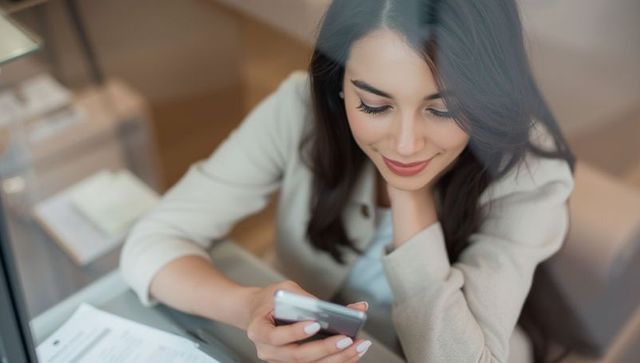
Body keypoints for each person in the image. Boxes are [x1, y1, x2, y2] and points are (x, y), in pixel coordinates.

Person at [120, 0, 575, 362]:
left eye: (443, 109)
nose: (406, 143)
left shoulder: (531, 174)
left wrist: (409, 193)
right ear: (340, 84)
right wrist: (249, 307)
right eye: (375, 106)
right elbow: (152, 242)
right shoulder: (299, 111)